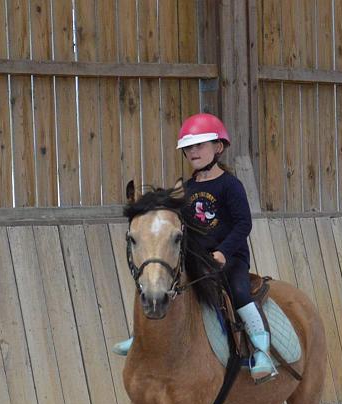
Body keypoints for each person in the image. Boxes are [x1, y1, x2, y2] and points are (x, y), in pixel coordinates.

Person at [113, 112, 276, 382]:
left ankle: (262, 350)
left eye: (200, 145)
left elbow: (243, 224)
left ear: (218, 147)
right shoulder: (186, 189)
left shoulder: (230, 185)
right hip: (197, 258)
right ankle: (139, 338)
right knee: (160, 283)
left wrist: (223, 252)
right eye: (188, 148)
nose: (193, 152)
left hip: (229, 258)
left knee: (239, 292)